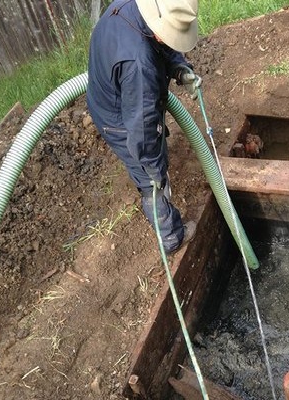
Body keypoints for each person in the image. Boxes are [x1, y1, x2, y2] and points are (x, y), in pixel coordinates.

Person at [86, 0, 201, 253]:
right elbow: (143, 128)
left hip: (115, 90)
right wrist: (155, 169)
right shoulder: (140, 65)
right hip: (118, 117)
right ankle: (171, 238)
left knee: (151, 160)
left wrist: (179, 67)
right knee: (151, 178)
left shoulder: (138, 7)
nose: (170, 38)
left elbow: (159, 40)